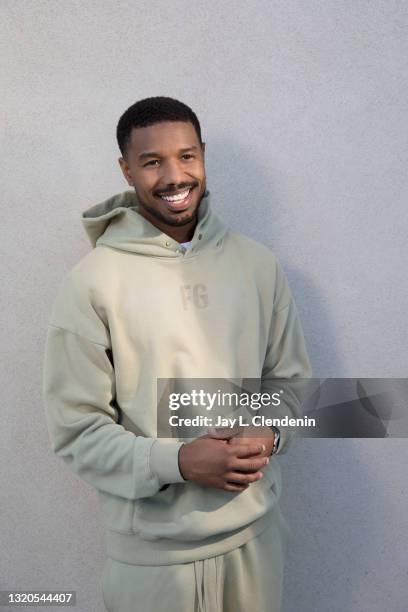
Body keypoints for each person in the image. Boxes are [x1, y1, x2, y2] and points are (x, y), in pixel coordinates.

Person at [42, 96, 312, 612]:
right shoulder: (91, 285)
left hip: (256, 539)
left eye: (187, 156)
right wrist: (181, 460)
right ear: (126, 168)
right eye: (152, 161)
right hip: (151, 562)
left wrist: (271, 431)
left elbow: (294, 386)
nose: (174, 176)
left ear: (203, 156)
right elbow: (76, 432)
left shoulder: (258, 265)